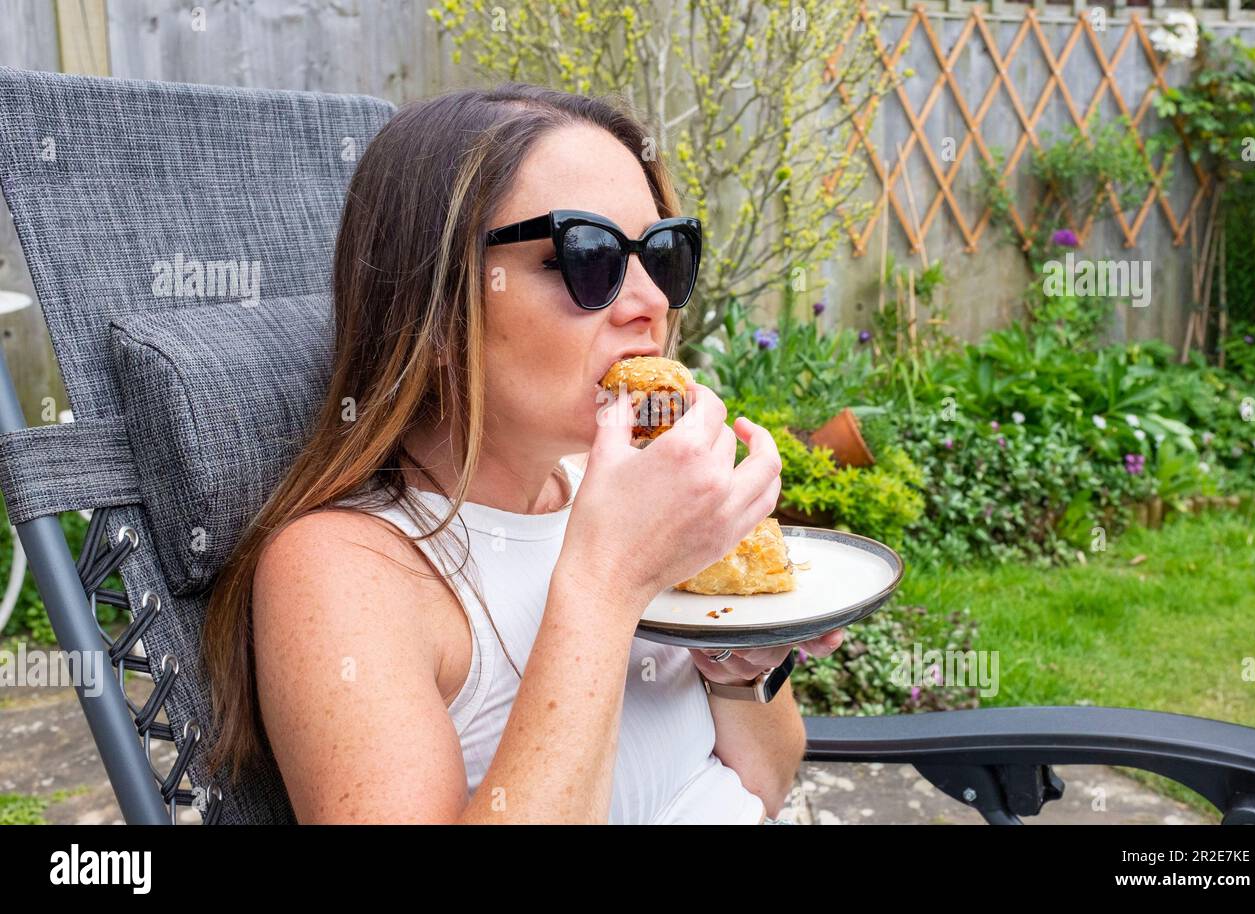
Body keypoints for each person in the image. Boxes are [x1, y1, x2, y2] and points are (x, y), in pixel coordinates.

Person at [202, 82, 846, 824]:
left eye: (663, 255)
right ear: (435, 312)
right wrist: (609, 581)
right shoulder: (347, 569)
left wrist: (736, 664)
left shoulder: (613, 489)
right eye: (589, 256)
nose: (651, 304)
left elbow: (764, 783)